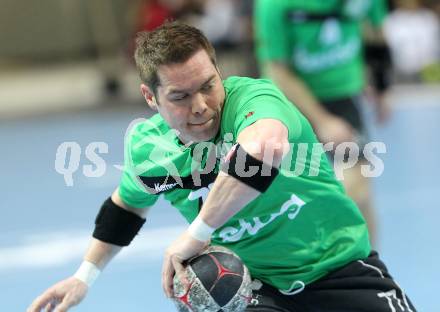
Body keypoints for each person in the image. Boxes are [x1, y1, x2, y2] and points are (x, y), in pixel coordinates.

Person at [27, 22, 416, 312]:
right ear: (150, 97)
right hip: (251, 290)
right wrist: (84, 277)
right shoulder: (150, 149)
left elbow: (262, 151)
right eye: (179, 96)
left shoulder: (255, 98)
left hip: (339, 268)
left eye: (208, 85)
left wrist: (198, 233)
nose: (200, 105)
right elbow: (125, 207)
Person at [254, 0, 391, 247]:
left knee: (358, 189)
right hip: (288, 102)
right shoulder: (274, 5)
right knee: (286, 198)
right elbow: (278, 70)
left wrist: (382, 86)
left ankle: (370, 267)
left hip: (342, 97)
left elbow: (377, 35)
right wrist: (322, 120)